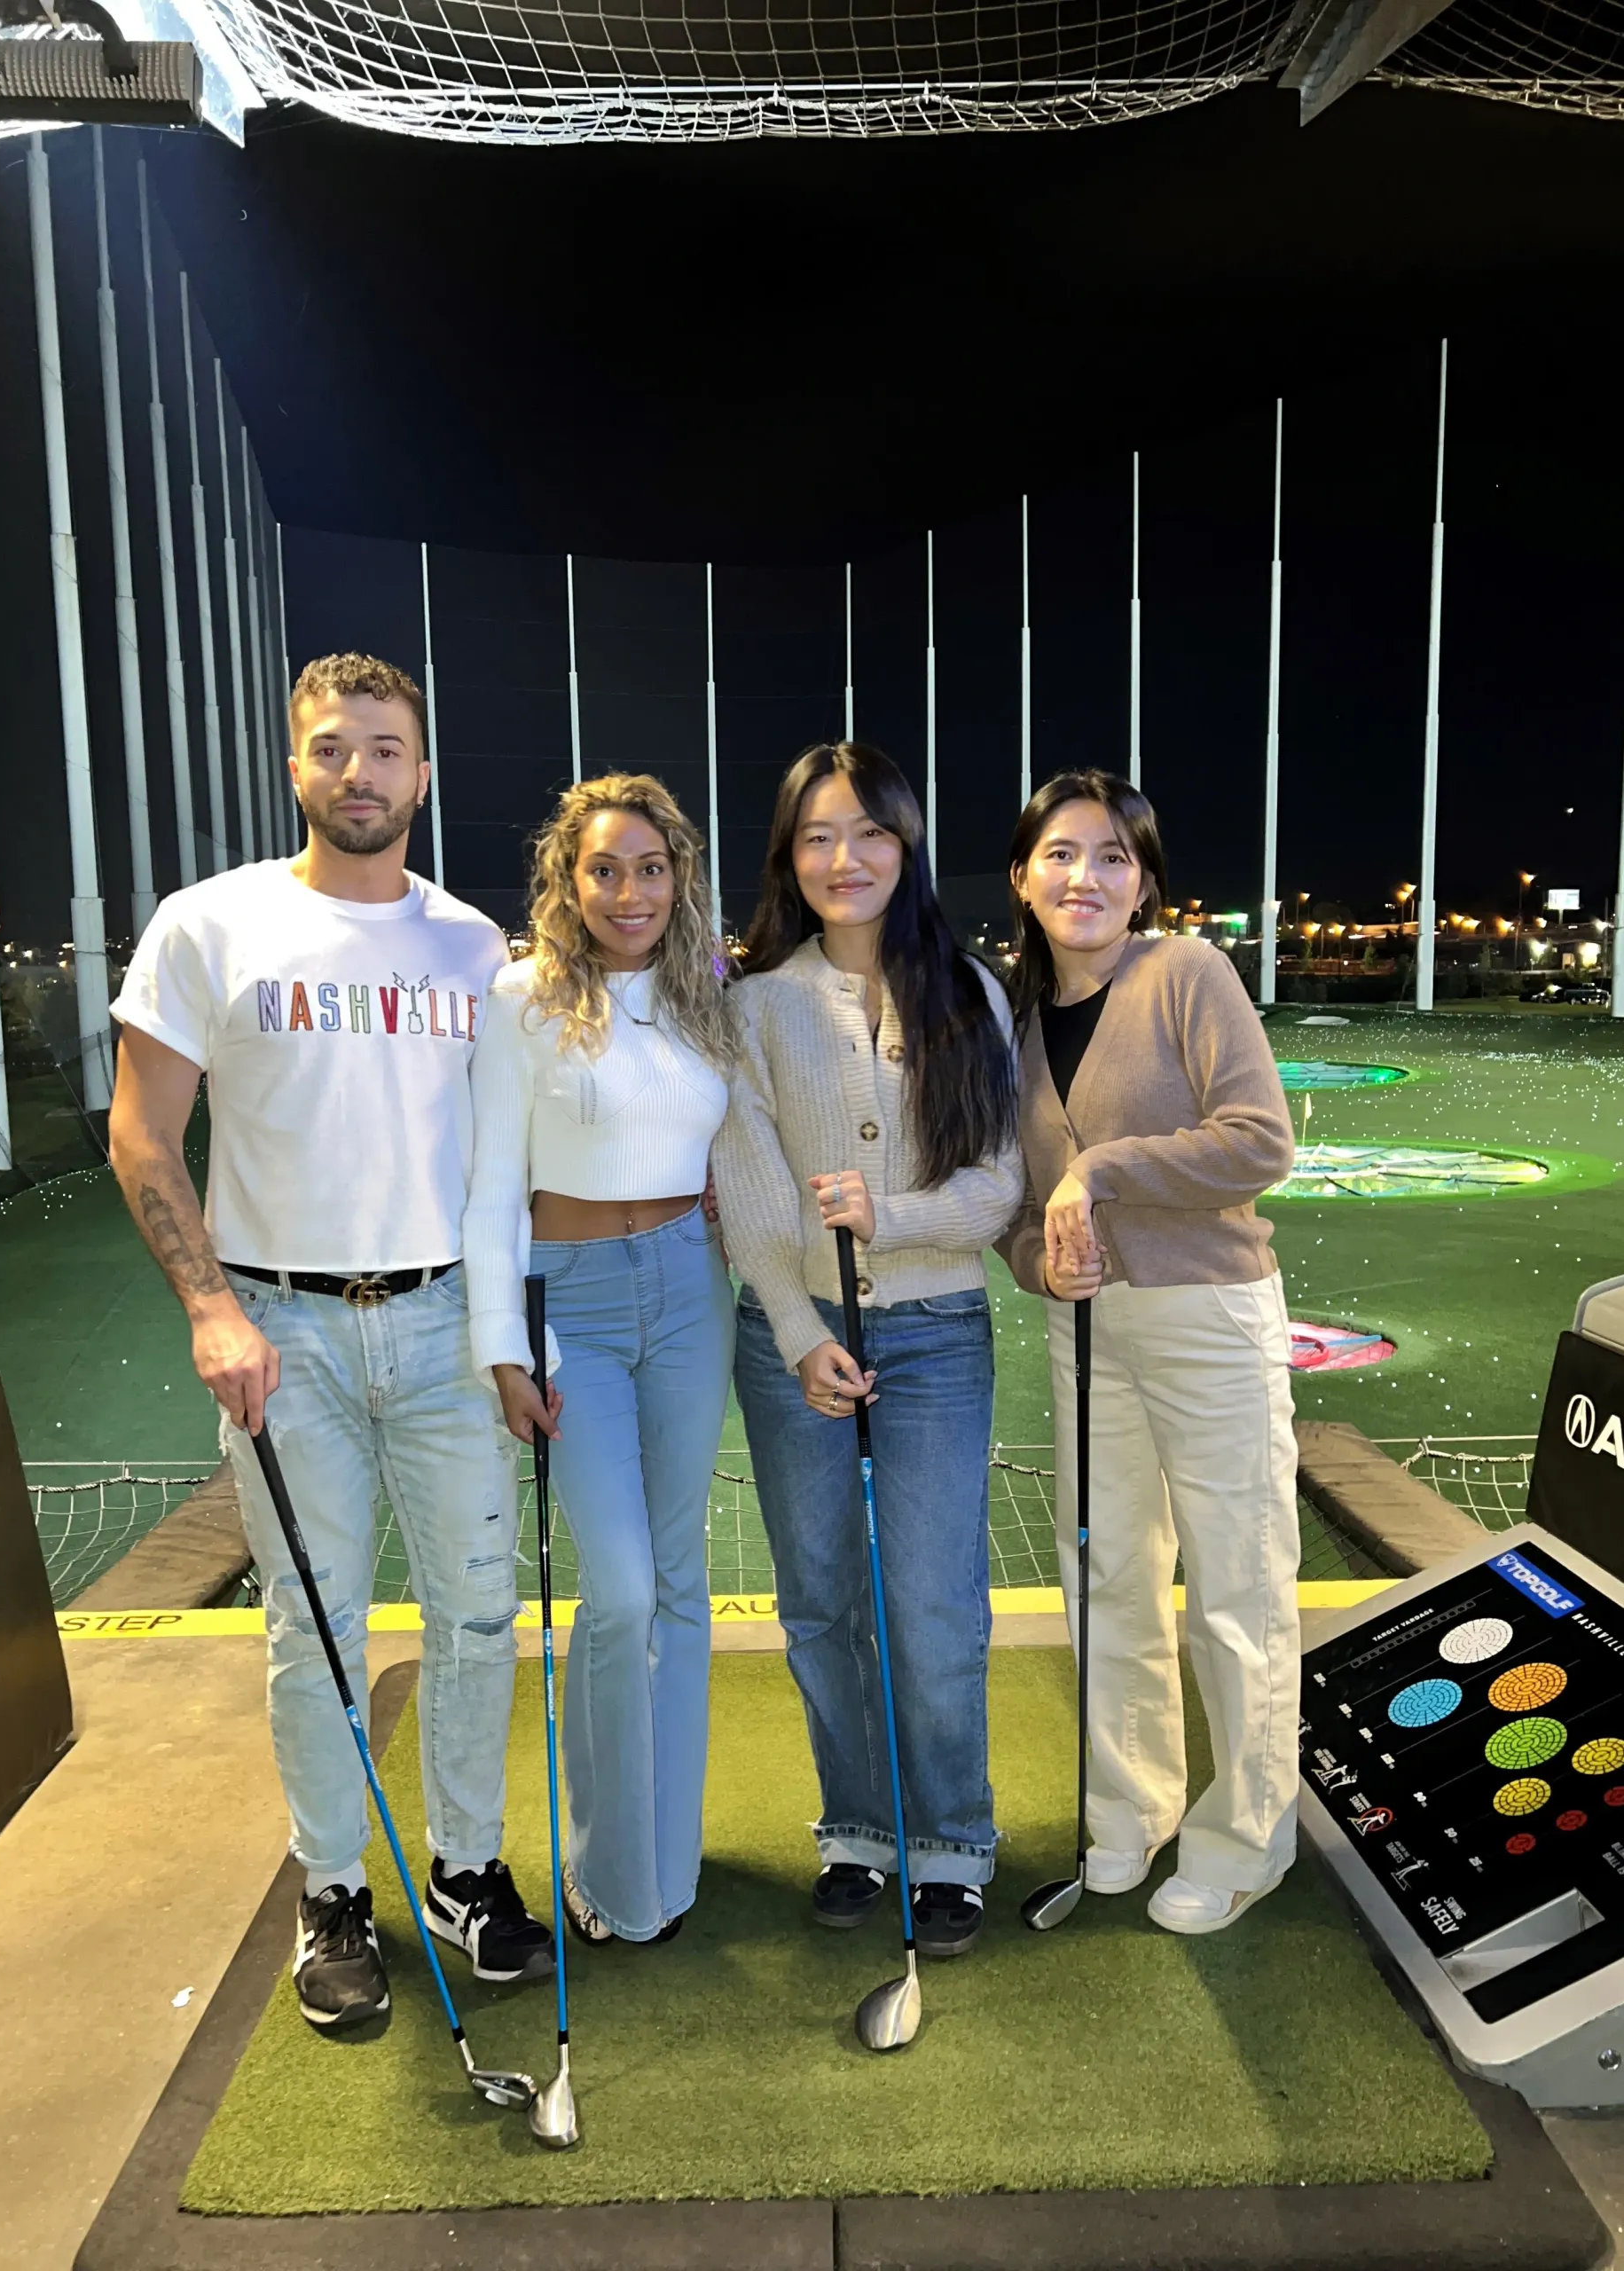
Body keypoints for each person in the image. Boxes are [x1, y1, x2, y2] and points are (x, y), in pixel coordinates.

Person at [109, 652, 551, 2030]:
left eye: (383, 748)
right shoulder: (209, 926)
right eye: (329, 749)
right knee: (317, 1628)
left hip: (443, 1329)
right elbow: (140, 1130)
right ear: (295, 767)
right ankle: (332, 1885)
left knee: (480, 1616)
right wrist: (210, 1306)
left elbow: (516, 1150)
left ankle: (465, 1867)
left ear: (423, 772)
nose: (356, 772)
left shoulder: (475, 945)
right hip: (283, 1329)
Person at [714, 743, 1022, 1959]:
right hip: (794, 1338)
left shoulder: (970, 989)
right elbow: (746, 1190)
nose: (847, 860)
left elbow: (996, 1185)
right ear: (790, 857)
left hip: (938, 1330)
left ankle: (951, 1841)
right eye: (818, 838)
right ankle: (858, 1826)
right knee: (822, 1600)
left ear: (909, 844)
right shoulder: (754, 1005)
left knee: (935, 1602)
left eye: (872, 833)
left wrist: (891, 1218)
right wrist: (799, 1337)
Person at [998, 768, 1298, 1936]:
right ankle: (1131, 1810)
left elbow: (1257, 1141)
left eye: (1114, 856)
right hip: (1090, 1329)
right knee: (1109, 1571)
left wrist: (1105, 1170)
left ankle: (1245, 1839)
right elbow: (1024, 1220)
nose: (1087, 876)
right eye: (1063, 854)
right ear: (1023, 876)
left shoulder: (1186, 975)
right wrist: (1040, 1264)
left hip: (1212, 1318)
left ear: (1145, 882)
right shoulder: (1016, 1027)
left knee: (1237, 1586)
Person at [464, 774, 733, 1945]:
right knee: (617, 1593)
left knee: (680, 1591)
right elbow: (487, 1195)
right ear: (568, 882)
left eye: (651, 869)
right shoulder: (523, 1000)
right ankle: (603, 1865)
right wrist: (501, 1350)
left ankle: (663, 1871)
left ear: (681, 877)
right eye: (605, 870)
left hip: (689, 1292)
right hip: (572, 1306)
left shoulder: (706, 996)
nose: (630, 893)